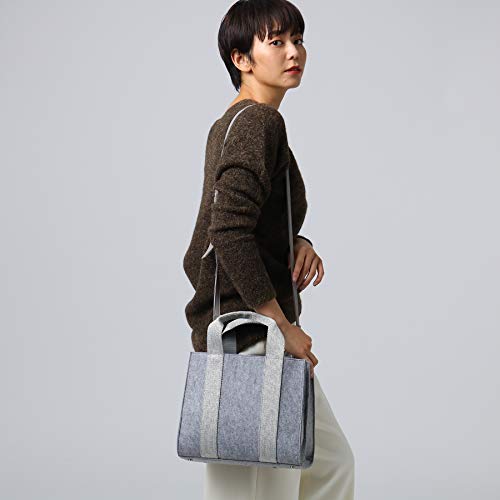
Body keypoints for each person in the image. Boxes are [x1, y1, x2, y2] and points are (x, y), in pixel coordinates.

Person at [182, 1, 355, 498]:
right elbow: (226, 231)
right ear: (242, 59)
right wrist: (281, 326)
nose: (293, 52)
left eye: (297, 40)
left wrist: (297, 240)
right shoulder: (257, 122)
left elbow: (237, 223)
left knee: (327, 465)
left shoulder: (238, 122)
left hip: (247, 332)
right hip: (252, 337)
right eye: (275, 42)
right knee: (269, 485)